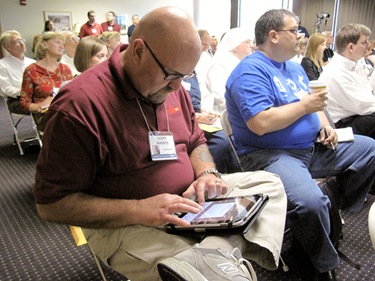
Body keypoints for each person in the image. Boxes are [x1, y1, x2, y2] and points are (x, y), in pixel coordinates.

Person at [33, 6, 287, 281]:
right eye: (171, 75)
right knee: (225, 278)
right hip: (125, 222)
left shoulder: (170, 86)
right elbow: (52, 204)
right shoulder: (78, 106)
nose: (177, 88)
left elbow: (195, 140)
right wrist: (142, 209)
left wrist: (206, 172)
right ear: (139, 51)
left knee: (269, 184)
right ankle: (215, 258)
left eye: (185, 77)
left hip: (187, 202)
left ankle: (213, 252)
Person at [225, 9, 375, 280]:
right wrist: (304, 106)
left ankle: (339, 207)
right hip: (271, 155)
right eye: (294, 30)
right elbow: (260, 123)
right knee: (311, 203)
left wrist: (325, 125)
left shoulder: (293, 67)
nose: (301, 36)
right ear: (273, 36)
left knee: (369, 148)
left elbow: (313, 104)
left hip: (311, 147)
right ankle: (323, 264)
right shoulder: (249, 72)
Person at [319, 24, 375, 139]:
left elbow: (367, 93)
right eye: (364, 42)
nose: (368, 46)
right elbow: (362, 106)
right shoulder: (336, 72)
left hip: (354, 115)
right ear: (351, 47)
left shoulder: (356, 63)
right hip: (341, 125)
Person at [20, 32, 73, 132]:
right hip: (46, 115)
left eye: (63, 43)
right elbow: (24, 103)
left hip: (67, 110)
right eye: (58, 42)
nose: (62, 46)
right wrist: (40, 106)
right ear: (44, 45)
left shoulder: (65, 69)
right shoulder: (31, 70)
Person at [206, 27, 253, 115]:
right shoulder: (219, 66)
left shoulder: (244, 65)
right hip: (223, 119)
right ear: (234, 46)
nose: (251, 45)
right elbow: (221, 98)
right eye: (247, 42)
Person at [0, 30, 35, 114]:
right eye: (17, 42)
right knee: (44, 108)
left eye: (22, 40)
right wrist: (27, 92)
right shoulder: (2, 65)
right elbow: (6, 90)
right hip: (17, 100)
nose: (22, 44)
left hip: (36, 95)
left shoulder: (32, 62)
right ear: (7, 46)